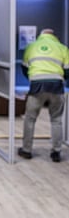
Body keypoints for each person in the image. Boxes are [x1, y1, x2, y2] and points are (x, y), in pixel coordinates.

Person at [18, 28, 69, 162]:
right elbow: (68, 71)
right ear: (54, 36)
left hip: (37, 86)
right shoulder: (63, 48)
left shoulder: (31, 46)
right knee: (56, 119)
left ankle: (27, 150)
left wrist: (33, 78)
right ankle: (56, 152)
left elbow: (24, 68)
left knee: (30, 118)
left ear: (40, 35)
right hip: (56, 86)